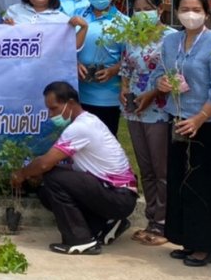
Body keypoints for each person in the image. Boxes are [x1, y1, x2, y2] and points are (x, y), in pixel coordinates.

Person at [12, 81, 137, 255]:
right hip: (116, 194)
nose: (51, 115)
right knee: (46, 192)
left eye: (54, 109)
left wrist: (22, 174)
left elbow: (44, 163)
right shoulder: (88, 121)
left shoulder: (81, 128)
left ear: (70, 103)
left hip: (118, 197)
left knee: (52, 177)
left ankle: (80, 240)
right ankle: (106, 223)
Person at [160, 0, 211, 267]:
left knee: (204, 185)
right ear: (177, 12)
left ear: (206, 14)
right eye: (185, 9)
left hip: (208, 124)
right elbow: (160, 73)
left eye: (196, 10)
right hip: (177, 119)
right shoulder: (170, 42)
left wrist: (200, 119)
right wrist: (161, 84)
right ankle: (186, 239)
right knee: (181, 183)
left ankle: (206, 245)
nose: (190, 14)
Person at [119, 0, 173, 246]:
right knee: (147, 169)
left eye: (147, 9)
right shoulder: (132, 37)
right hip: (134, 110)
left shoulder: (172, 38)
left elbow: (177, 75)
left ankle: (164, 223)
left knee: (162, 168)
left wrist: (151, 94)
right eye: (137, 10)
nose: (142, 14)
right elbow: (126, 69)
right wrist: (124, 89)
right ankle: (152, 218)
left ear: (160, 10)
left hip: (159, 109)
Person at [78, 0, 127, 135]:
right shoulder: (78, 16)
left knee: (105, 142)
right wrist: (75, 64)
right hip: (78, 93)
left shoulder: (124, 22)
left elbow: (130, 57)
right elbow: (64, 47)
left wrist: (113, 70)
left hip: (109, 96)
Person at [4, 0, 89, 50]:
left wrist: (84, 27)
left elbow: (72, 48)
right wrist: (5, 29)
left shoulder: (63, 20)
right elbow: (1, 40)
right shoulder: (13, 11)